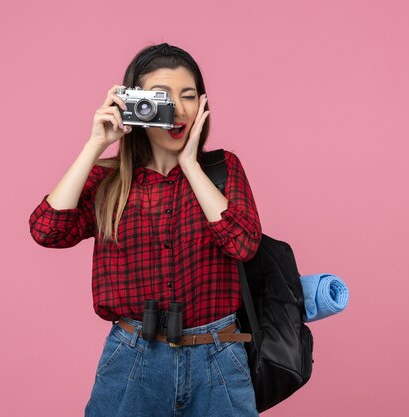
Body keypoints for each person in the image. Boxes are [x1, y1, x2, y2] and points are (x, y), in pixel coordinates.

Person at [28, 43, 262, 417]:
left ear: (202, 105)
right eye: (160, 98)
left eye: (188, 96)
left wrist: (189, 165)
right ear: (133, 104)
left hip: (217, 356)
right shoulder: (110, 181)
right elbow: (46, 230)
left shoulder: (222, 169)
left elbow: (244, 244)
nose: (176, 109)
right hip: (133, 357)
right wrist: (96, 143)